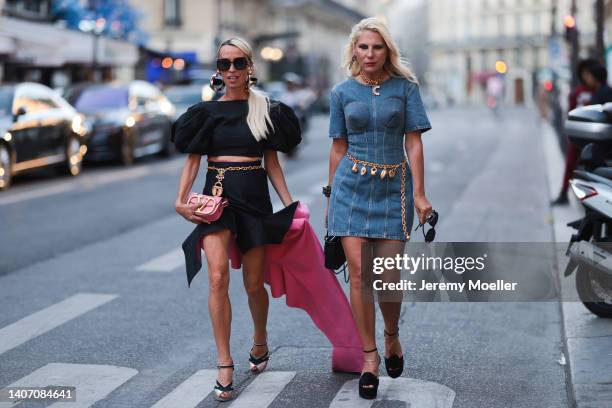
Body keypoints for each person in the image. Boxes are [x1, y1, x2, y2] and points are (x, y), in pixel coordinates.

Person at [171, 37, 301, 401]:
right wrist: (180, 200)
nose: (231, 70)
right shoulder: (206, 113)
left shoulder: (264, 109)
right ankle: (224, 362)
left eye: (238, 63)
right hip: (216, 200)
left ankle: (260, 339)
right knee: (216, 277)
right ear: (218, 69)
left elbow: (272, 163)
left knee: (254, 284)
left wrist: (290, 207)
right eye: (224, 63)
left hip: (254, 198)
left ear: (250, 68)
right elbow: (193, 159)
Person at [325, 17, 433, 399]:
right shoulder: (340, 93)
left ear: (387, 50)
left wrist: (420, 195)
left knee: (387, 278)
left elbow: (414, 143)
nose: (369, 54)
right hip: (350, 190)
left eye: (377, 47)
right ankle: (369, 358)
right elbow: (338, 147)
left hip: (393, 189)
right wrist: (330, 200)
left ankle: (391, 337)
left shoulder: (405, 90)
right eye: (363, 47)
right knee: (358, 275)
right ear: (354, 50)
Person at [552, 59, 610, 205]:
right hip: (581, 134)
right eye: (584, 74)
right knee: (572, 164)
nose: (585, 77)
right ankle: (566, 193)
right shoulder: (579, 92)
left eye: (588, 74)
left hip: (595, 137)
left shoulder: (602, 92)